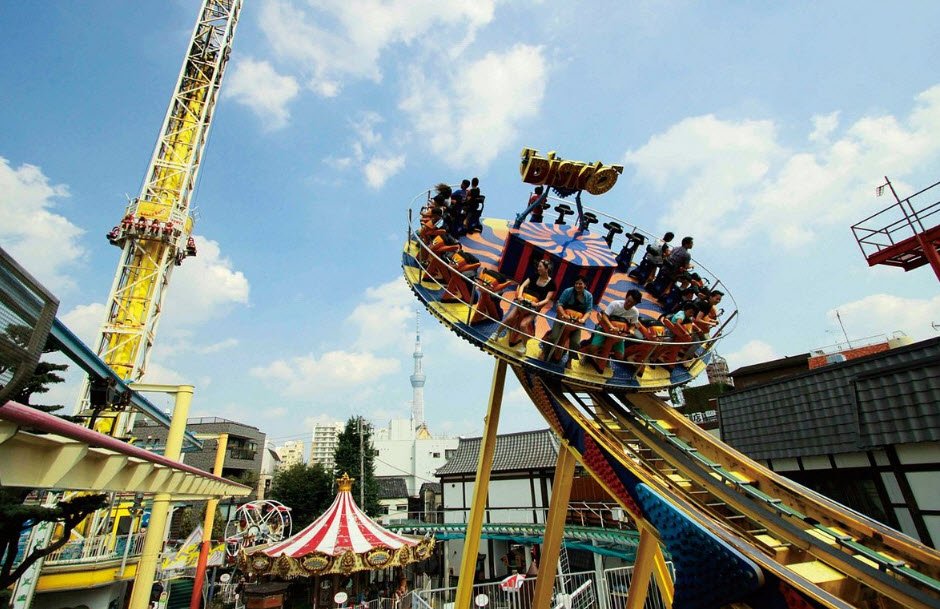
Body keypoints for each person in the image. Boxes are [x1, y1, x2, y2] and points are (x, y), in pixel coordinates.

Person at [499, 259, 556, 353]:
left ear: (546, 269)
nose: (538, 268)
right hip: (523, 303)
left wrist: (537, 304)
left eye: (540, 267)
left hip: (534, 308)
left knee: (523, 325)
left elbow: (547, 299)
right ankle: (496, 333)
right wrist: (520, 295)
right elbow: (522, 286)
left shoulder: (552, 284)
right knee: (509, 318)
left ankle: (524, 346)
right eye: (538, 266)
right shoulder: (534, 276)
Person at [581, 289, 642, 372]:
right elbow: (605, 316)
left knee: (620, 356)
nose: (629, 304)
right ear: (626, 297)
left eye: (632, 303)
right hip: (605, 328)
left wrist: (631, 330)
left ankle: (607, 356)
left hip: (619, 333)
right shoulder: (615, 304)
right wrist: (611, 326)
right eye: (628, 301)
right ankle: (587, 356)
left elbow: (633, 324)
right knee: (593, 348)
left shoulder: (635, 312)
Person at [540, 276, 593, 364]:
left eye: (580, 284)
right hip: (563, 319)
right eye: (576, 283)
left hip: (576, 322)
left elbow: (589, 310)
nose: (577, 285)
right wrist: (564, 315)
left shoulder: (588, 296)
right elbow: (560, 304)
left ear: (585, 285)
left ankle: (570, 360)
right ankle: (544, 352)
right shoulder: (568, 291)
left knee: (575, 343)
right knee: (554, 336)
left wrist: (583, 319)